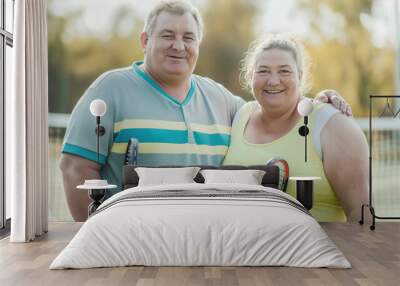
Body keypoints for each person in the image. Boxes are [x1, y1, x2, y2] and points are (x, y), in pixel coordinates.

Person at [60, 1, 351, 222]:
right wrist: (92, 236)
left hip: (206, 237)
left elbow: (274, 109)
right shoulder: (110, 89)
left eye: (188, 37)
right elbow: (75, 166)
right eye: (167, 35)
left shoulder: (222, 100)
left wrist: (318, 102)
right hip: (129, 235)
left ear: (198, 44)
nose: (179, 45)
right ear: (145, 41)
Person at [223, 33, 368, 222]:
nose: (273, 81)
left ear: (300, 76)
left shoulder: (333, 126)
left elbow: (362, 217)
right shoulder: (237, 116)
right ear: (250, 76)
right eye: (263, 71)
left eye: (284, 71)